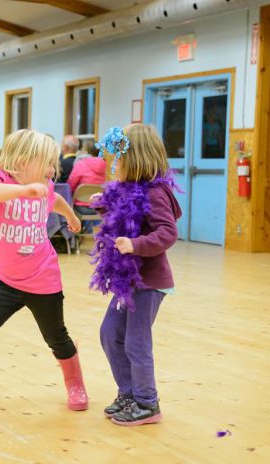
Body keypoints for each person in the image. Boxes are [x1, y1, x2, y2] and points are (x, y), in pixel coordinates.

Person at [0, 129, 86, 424]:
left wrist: (72, 217)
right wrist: (24, 191)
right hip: (6, 283)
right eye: (48, 164)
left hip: (44, 280)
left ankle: (75, 385)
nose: (52, 170)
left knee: (56, 337)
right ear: (25, 160)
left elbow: (56, 201)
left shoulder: (45, 185)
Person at [90, 124, 181, 426]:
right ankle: (128, 392)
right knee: (109, 333)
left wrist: (136, 245)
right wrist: (104, 206)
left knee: (135, 342)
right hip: (129, 281)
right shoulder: (129, 189)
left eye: (118, 157)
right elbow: (126, 218)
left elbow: (167, 233)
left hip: (150, 282)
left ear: (135, 159)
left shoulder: (155, 193)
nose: (113, 164)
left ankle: (147, 402)